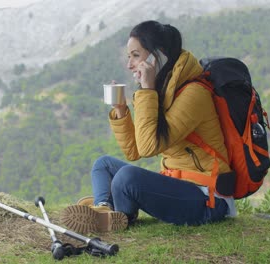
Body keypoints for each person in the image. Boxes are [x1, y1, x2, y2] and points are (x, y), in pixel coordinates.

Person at [61, 20, 236, 234]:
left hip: (208, 198)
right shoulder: (163, 91)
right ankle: (105, 210)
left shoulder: (194, 94)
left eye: (136, 55)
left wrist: (146, 90)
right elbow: (134, 152)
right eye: (129, 56)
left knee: (127, 178)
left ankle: (120, 214)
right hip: (176, 184)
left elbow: (147, 148)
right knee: (103, 164)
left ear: (157, 56)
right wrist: (121, 110)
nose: (129, 64)